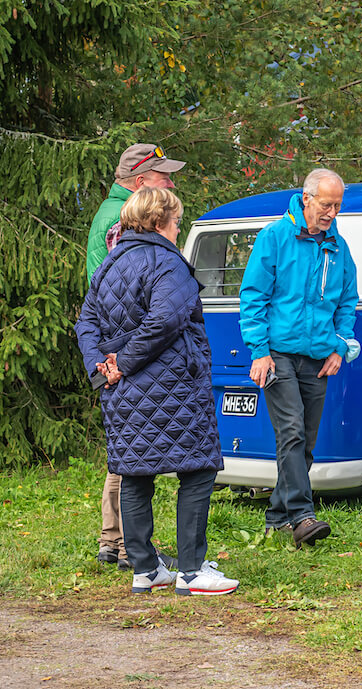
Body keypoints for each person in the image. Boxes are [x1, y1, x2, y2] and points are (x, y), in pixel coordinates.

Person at [76, 188, 238, 596]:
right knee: (199, 471)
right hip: (174, 388)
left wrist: (103, 366)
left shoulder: (108, 266)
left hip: (124, 392)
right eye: (177, 221)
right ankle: (191, 570)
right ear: (159, 221)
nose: (178, 227)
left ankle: (146, 569)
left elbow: (86, 324)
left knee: (134, 474)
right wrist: (122, 362)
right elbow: (166, 320)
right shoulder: (169, 263)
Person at [238, 168, 359, 548]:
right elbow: (253, 297)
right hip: (277, 354)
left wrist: (340, 346)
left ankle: (276, 517)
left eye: (338, 205)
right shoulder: (274, 238)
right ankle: (303, 515)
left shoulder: (338, 247)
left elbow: (348, 302)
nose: (332, 213)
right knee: (289, 431)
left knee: (304, 441)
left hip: (318, 356)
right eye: (326, 204)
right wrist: (259, 351)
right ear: (306, 199)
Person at [85, 144, 185, 570]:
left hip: (116, 347)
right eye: (163, 175)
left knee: (124, 448)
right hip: (127, 349)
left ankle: (113, 539)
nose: (171, 182)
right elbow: (124, 292)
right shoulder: (121, 221)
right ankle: (130, 548)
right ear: (140, 180)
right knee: (132, 453)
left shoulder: (111, 213)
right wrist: (123, 357)